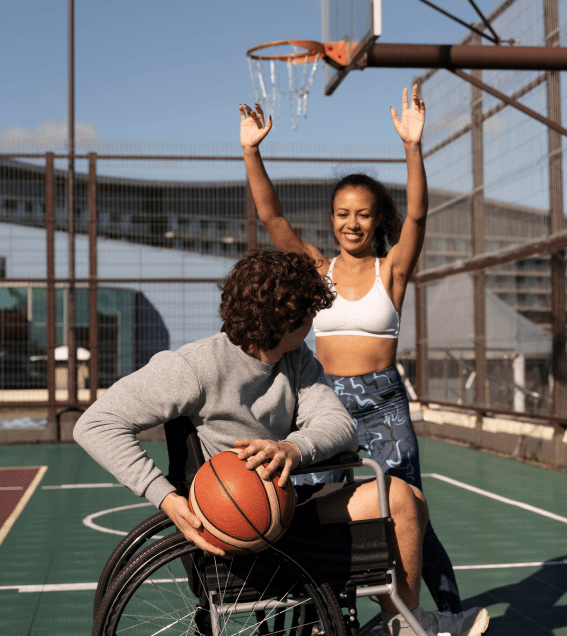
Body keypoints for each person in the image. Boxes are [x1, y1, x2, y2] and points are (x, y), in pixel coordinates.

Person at [75, 250, 488, 636]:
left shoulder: (296, 359)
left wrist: (292, 447)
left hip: (288, 503)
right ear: (286, 321)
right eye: (309, 314)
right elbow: (95, 425)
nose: (314, 321)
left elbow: (339, 424)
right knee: (394, 494)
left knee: (404, 497)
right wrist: (166, 498)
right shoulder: (193, 367)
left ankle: (403, 624)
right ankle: (408, 623)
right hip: (240, 520)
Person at [239, 86, 461, 613]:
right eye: (342, 213)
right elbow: (274, 221)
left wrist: (413, 145)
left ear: (377, 219)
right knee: (318, 510)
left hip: (383, 402)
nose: (351, 223)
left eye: (362, 214)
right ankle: (326, 614)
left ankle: (442, 614)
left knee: (409, 510)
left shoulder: (393, 269)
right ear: (333, 218)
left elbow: (420, 218)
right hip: (323, 403)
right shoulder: (319, 270)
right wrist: (252, 151)